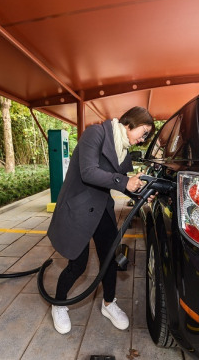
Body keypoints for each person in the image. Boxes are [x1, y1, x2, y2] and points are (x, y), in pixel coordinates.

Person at [47, 106, 155, 334]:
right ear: (129, 123)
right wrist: (125, 182)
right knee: (78, 264)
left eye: (146, 136)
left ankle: (108, 303)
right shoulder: (95, 134)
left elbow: (123, 181)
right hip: (78, 207)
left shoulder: (123, 149)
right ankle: (59, 304)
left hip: (100, 208)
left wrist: (141, 191)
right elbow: (88, 172)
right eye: (143, 132)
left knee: (109, 258)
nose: (143, 139)